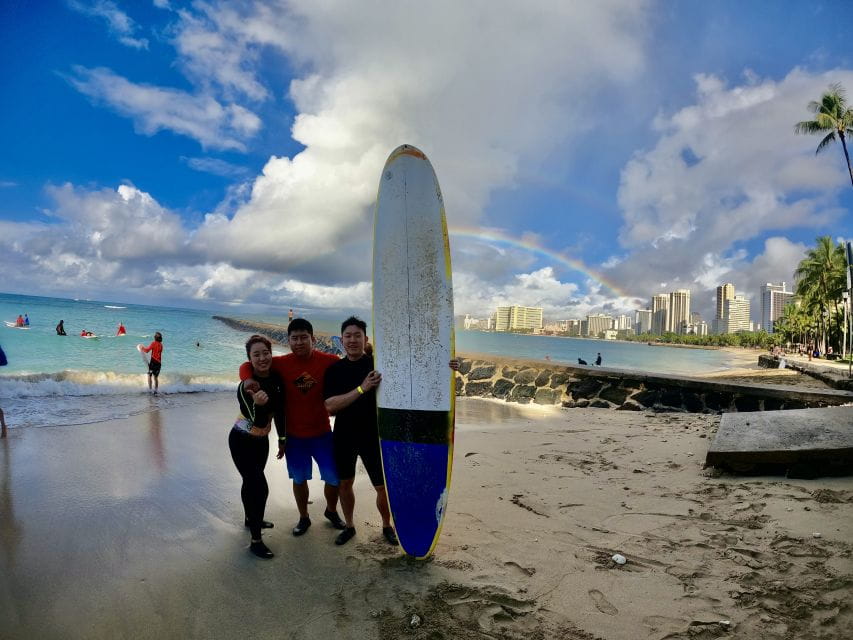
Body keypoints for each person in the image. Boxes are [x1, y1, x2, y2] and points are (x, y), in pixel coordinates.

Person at [324, 317, 460, 547]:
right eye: (348, 336)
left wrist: (446, 366)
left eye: (358, 335)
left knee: (382, 486)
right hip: (344, 435)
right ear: (342, 340)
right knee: (345, 485)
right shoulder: (335, 370)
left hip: (375, 435)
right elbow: (330, 406)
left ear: (365, 339)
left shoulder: (380, 364)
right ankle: (349, 526)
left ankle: (387, 526)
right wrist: (362, 388)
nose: (353, 340)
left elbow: (415, 372)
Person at [239, 318, 345, 537]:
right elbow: (248, 364)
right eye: (294, 338)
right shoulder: (281, 363)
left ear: (313, 339)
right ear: (288, 341)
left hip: (322, 433)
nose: (299, 342)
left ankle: (331, 511)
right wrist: (247, 381)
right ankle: (304, 517)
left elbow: (350, 364)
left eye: (303, 338)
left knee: (334, 478)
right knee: (299, 479)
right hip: (295, 437)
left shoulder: (329, 360)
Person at [229, 335, 285, 559]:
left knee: (251, 480)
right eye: (256, 354)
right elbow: (256, 418)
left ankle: (250, 518)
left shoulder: (277, 379)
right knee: (259, 487)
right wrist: (259, 405)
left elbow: (280, 412)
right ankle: (256, 541)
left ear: (271, 353)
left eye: (265, 353)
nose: (262, 358)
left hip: (262, 441)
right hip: (241, 440)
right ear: (249, 359)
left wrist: (282, 439)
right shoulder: (246, 387)